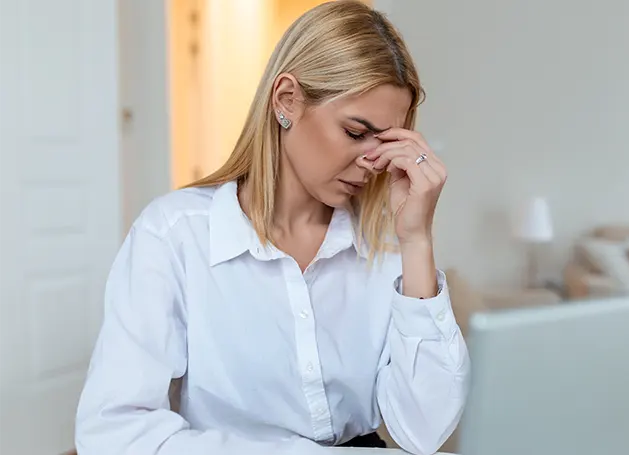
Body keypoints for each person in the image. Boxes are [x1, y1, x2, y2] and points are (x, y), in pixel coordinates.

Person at [74, 1, 469, 455]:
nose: (371, 162)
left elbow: (424, 432)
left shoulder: (386, 245)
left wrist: (417, 241)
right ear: (286, 101)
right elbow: (113, 432)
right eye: (357, 133)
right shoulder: (173, 236)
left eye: (386, 143)